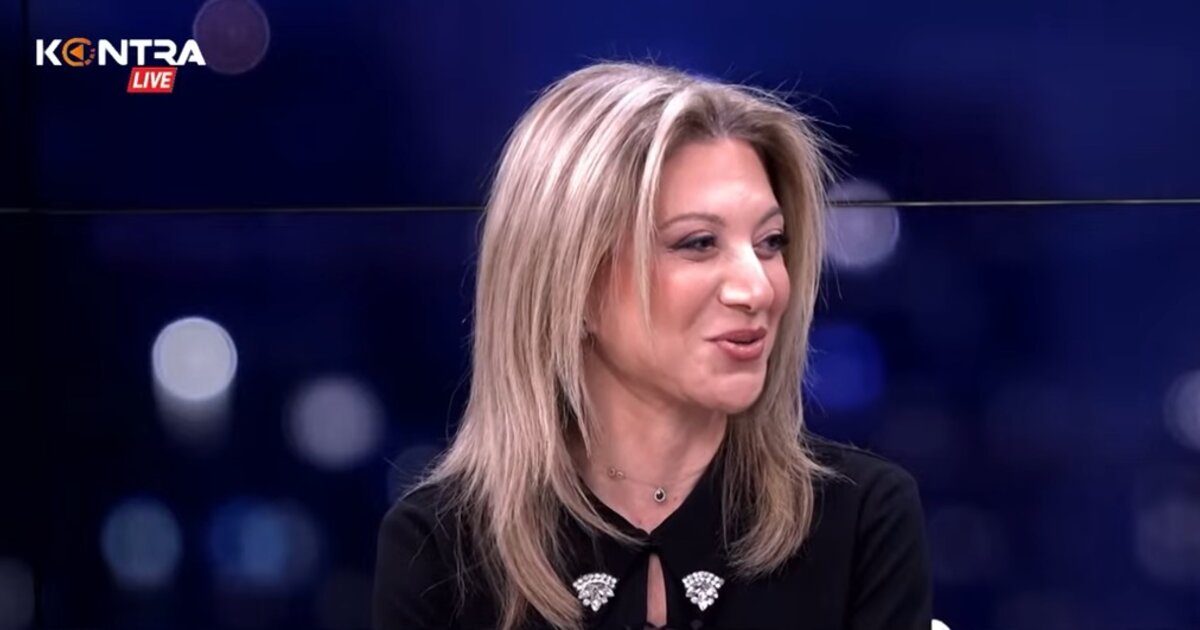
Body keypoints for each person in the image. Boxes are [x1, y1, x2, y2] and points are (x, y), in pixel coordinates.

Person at [372, 61, 931, 630]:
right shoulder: (439, 550)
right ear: (574, 281)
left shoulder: (863, 519)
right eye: (699, 243)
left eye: (770, 242)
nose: (759, 288)